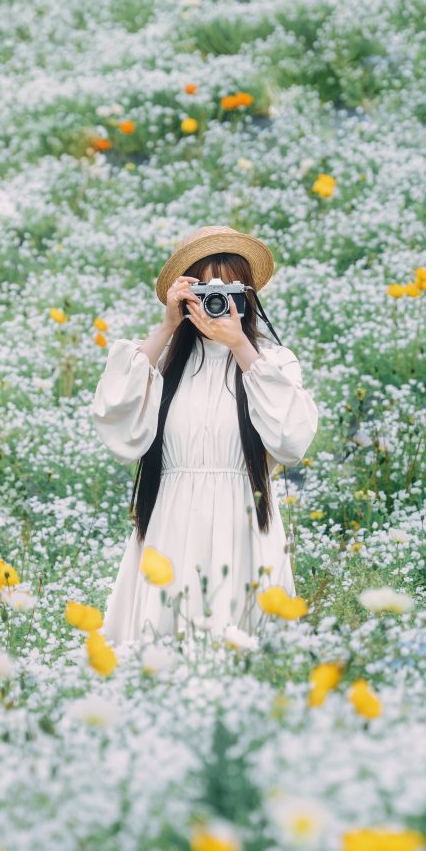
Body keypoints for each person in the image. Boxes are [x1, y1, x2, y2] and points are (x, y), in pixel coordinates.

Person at [88, 227, 318, 643]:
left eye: (227, 287)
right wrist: (167, 326)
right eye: (204, 288)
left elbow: (291, 441)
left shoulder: (272, 362)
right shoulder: (165, 365)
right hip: (171, 525)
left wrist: (241, 348)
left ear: (245, 294)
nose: (218, 302)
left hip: (244, 526)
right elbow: (114, 417)